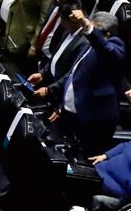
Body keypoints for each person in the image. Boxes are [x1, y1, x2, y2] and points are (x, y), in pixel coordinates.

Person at [49, 10, 124, 155]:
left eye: (91, 30)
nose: (86, 33)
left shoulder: (115, 48)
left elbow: (106, 49)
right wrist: (62, 105)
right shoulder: (89, 45)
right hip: (72, 114)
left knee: (82, 161)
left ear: (106, 34)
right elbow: (74, 75)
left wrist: (87, 25)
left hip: (93, 123)